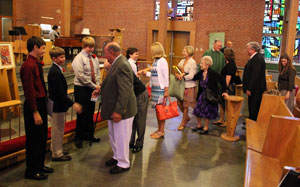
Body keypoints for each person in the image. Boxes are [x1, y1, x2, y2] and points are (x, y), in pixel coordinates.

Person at [20, 36, 54, 180]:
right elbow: (29, 91)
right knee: (34, 140)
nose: (44, 51)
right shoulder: (28, 65)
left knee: (41, 138)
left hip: (40, 104)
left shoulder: (36, 63)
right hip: (33, 106)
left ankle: (39, 165)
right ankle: (31, 171)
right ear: (35, 47)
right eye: (43, 48)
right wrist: (35, 112)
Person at [101, 42, 137, 174]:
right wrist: (100, 89)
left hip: (123, 110)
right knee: (114, 135)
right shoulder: (117, 62)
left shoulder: (122, 65)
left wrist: (119, 111)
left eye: (105, 53)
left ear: (111, 52)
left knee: (121, 137)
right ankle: (117, 157)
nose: (105, 56)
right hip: (114, 107)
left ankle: (123, 163)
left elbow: (125, 91)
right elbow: (111, 81)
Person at [47, 47, 82, 162]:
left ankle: (57, 149)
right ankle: (57, 154)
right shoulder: (55, 72)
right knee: (57, 130)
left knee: (59, 128)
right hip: (57, 105)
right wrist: (73, 104)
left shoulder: (57, 69)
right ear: (54, 58)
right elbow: (59, 93)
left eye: (64, 56)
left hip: (59, 104)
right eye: (61, 57)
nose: (64, 59)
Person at [72, 36, 101, 148]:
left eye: (92, 47)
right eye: (88, 47)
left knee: (90, 112)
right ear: (83, 46)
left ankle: (89, 134)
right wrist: (94, 86)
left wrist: (97, 85)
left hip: (92, 88)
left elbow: (97, 72)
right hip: (82, 88)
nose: (91, 49)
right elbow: (80, 76)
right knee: (82, 113)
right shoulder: (78, 58)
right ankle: (78, 136)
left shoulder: (94, 58)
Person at [139, 42, 169, 139]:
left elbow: (165, 77)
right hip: (155, 88)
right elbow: (155, 75)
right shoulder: (156, 61)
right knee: (157, 110)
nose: (151, 51)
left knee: (161, 110)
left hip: (160, 89)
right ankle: (159, 128)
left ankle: (162, 130)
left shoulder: (163, 61)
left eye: (152, 50)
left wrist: (166, 91)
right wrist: (146, 73)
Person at [192, 56, 228, 134]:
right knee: (197, 110)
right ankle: (199, 125)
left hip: (210, 96)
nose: (200, 65)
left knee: (207, 111)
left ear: (207, 65)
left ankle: (206, 127)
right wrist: (184, 73)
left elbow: (222, 80)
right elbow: (194, 77)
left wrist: (224, 91)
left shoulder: (212, 73)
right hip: (202, 95)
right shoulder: (201, 73)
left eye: (202, 63)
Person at [126, 47, 149, 153]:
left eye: (137, 54)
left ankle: (139, 143)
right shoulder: (129, 64)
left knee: (140, 120)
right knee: (133, 118)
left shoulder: (129, 64)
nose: (137, 55)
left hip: (140, 93)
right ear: (130, 55)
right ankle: (131, 141)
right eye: (135, 54)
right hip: (134, 93)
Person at [243, 42, 266, 121]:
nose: (247, 51)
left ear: (253, 49)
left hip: (255, 89)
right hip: (254, 88)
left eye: (248, 49)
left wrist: (250, 88)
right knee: (251, 105)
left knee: (254, 106)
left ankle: (252, 122)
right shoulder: (255, 57)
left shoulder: (257, 58)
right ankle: (250, 119)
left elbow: (255, 75)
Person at [175, 46, 197, 131]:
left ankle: (183, 123)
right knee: (179, 103)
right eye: (183, 50)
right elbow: (177, 71)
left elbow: (191, 75)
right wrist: (177, 74)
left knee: (185, 105)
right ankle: (187, 117)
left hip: (189, 86)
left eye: (184, 51)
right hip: (180, 85)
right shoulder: (182, 61)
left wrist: (183, 76)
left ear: (189, 52)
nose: (182, 52)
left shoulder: (193, 62)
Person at [214, 48, 238, 124]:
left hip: (228, 88)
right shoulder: (228, 64)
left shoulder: (231, 65)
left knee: (227, 105)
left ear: (226, 55)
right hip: (225, 86)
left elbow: (228, 79)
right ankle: (221, 119)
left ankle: (227, 122)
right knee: (222, 103)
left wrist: (224, 89)